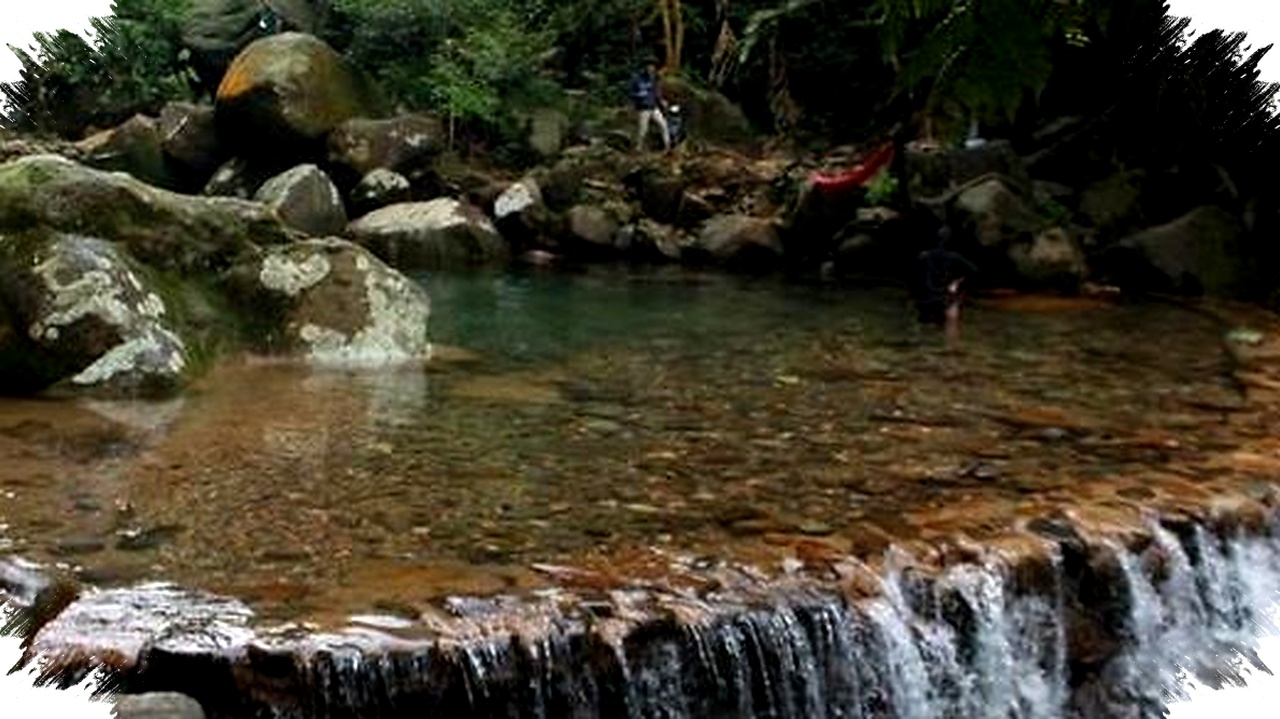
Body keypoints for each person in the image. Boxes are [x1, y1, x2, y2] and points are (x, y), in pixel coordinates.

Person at [914, 225, 977, 328]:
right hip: (944, 296)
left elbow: (914, 270)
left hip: (926, 296)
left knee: (923, 326)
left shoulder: (924, 255)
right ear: (949, 240)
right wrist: (959, 281)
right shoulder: (954, 256)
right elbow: (974, 269)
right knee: (945, 325)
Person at [629, 62, 671, 152]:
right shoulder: (637, 79)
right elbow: (631, 93)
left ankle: (668, 146)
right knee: (643, 130)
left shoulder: (653, 79)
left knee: (663, 125)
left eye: (652, 68)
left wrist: (662, 101)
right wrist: (638, 95)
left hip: (653, 107)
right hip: (643, 108)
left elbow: (656, 92)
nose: (651, 69)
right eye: (649, 67)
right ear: (645, 68)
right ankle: (638, 148)